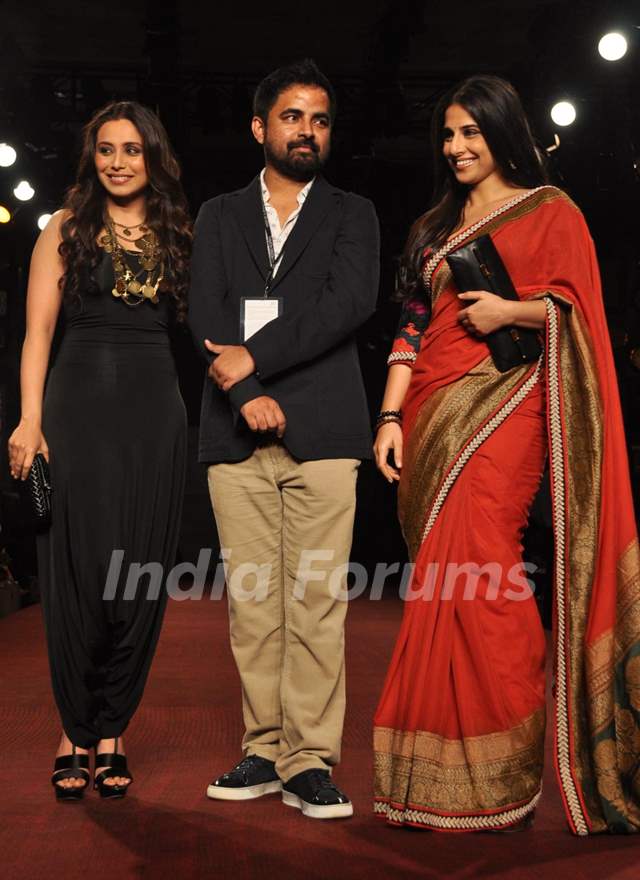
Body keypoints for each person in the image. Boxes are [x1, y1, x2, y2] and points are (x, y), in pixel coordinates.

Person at [373, 75, 640, 835]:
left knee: (485, 564)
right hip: (430, 410)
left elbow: (585, 319)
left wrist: (513, 309)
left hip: (511, 402)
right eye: (448, 135)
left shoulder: (551, 212)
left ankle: (508, 760)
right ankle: (441, 779)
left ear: (501, 133)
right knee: (442, 578)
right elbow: (411, 326)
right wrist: (391, 414)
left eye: (471, 133)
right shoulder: (434, 226)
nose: (457, 148)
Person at [189, 59, 379, 819]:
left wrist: (254, 365)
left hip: (326, 430)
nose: (308, 130)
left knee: (317, 602)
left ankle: (309, 761)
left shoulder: (353, 213)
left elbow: (347, 306)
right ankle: (263, 750)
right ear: (260, 127)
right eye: (293, 116)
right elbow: (204, 310)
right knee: (255, 603)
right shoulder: (217, 214)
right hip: (234, 433)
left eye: (321, 119)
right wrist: (245, 392)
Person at [8, 101, 190, 800]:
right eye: (107, 149)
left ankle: (113, 728)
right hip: (75, 414)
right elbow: (36, 335)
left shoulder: (179, 233)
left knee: (136, 573)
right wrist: (30, 420)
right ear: (93, 157)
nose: (118, 161)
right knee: (79, 575)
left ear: (153, 158)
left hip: (155, 419)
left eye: (132, 150)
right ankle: (74, 730)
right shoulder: (63, 228)